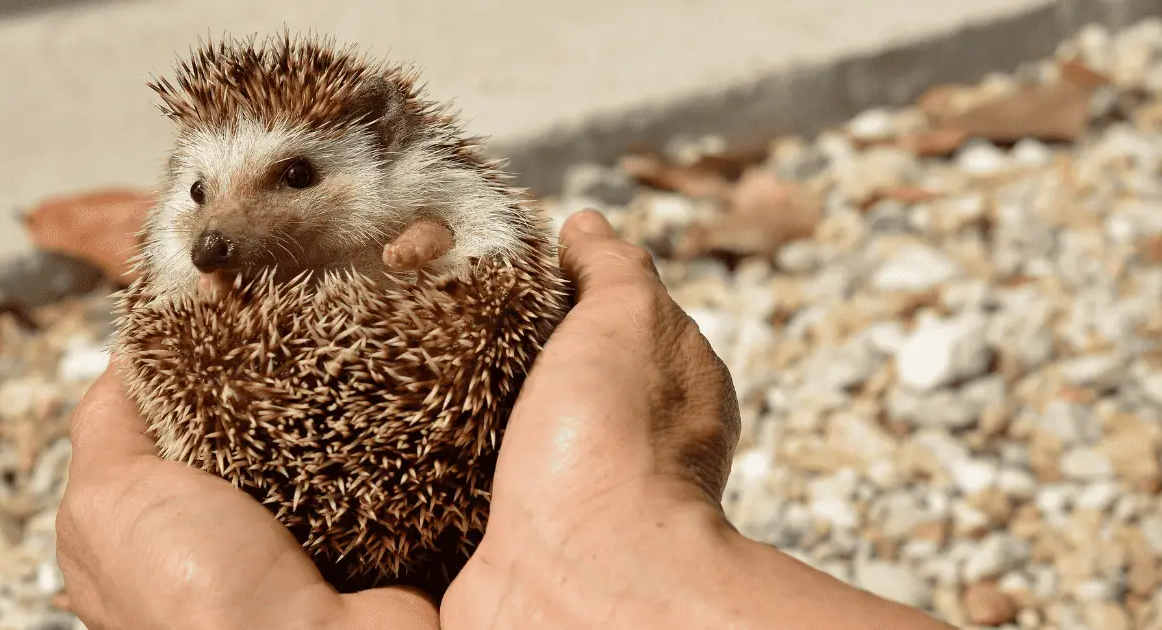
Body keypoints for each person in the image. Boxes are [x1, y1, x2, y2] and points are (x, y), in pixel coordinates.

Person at [55, 209, 956, 629]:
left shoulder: (441, 225)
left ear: (384, 144)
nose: (225, 226)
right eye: (205, 195)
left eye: (294, 178)